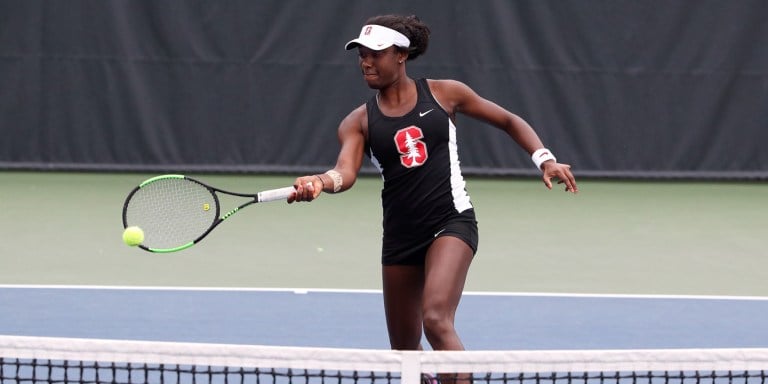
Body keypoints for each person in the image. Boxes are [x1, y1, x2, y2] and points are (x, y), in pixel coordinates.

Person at [289, 14, 578, 355]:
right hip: (400, 236)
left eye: (375, 53)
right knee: (405, 351)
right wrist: (320, 182)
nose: (366, 62)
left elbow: (508, 120)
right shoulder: (358, 121)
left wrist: (544, 158)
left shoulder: (445, 94)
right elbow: (344, 172)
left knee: (437, 320)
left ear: (401, 54)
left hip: (450, 222)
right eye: (361, 54)